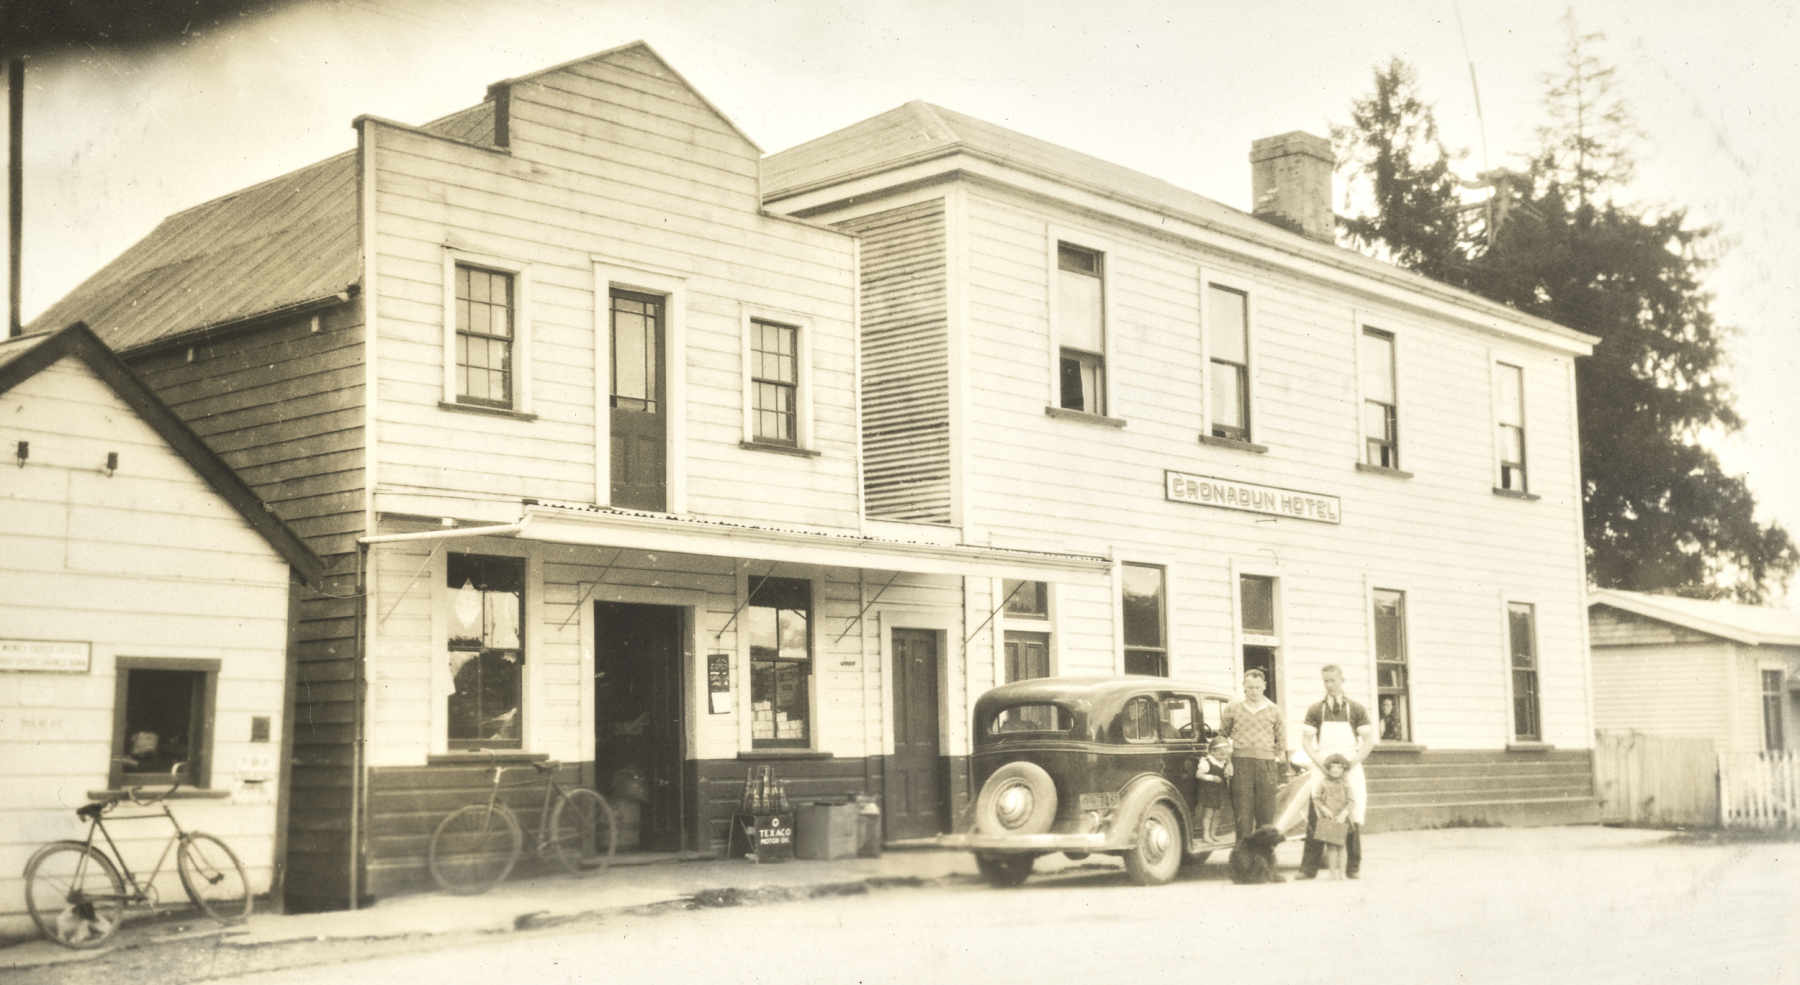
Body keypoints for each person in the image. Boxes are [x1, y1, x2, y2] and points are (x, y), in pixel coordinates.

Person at [1298, 664, 1375, 879]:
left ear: (1342, 681)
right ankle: (1308, 869)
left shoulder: (1356, 709)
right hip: (1323, 766)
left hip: (1350, 766)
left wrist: (1351, 763)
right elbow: (1306, 742)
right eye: (1326, 681)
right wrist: (1321, 763)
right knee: (1317, 813)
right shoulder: (1316, 709)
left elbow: (1368, 742)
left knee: (1352, 814)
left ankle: (1352, 867)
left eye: (1333, 680)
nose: (1329, 685)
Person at [1219, 669, 1286, 845]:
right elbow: (1222, 736)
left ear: (1264, 686)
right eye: (1250, 687)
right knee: (1243, 815)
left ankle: (1264, 856)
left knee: (1266, 815)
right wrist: (1228, 762)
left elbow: (1281, 741)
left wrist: (1276, 761)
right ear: (1244, 686)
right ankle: (1243, 857)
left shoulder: (1274, 710)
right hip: (1240, 765)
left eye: (1258, 687)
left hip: (1266, 766)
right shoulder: (1232, 707)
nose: (1254, 691)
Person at [1311, 754, 1354, 878]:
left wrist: (1344, 814)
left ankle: (1342, 873)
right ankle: (1332, 874)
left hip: (1342, 819)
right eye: (1333, 767)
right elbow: (1316, 798)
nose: (1336, 770)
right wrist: (1324, 809)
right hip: (1328, 818)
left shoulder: (1345, 784)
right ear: (1328, 768)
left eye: (1339, 767)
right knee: (1330, 847)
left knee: (1342, 846)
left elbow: (1351, 801)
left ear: (1344, 769)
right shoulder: (1323, 783)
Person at [1195, 737, 1233, 843]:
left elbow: (1227, 762)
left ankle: (1213, 834)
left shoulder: (1223, 761)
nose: (1224, 757)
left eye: (1226, 755)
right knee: (1208, 814)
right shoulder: (1207, 762)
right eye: (1221, 754)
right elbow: (1199, 774)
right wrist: (1212, 777)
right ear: (1212, 751)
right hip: (1209, 792)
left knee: (1217, 814)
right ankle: (1205, 835)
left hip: (1219, 792)